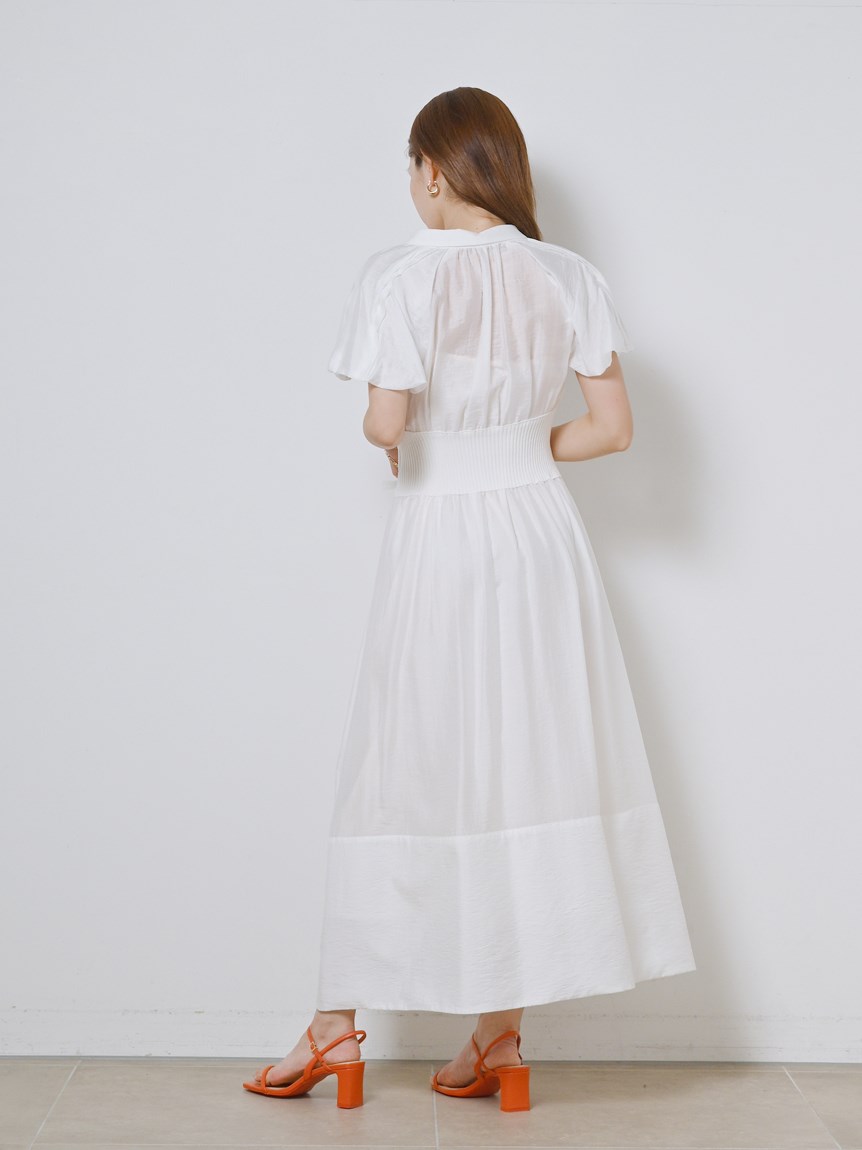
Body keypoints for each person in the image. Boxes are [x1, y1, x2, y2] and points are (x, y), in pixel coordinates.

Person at [243, 86, 696, 1113]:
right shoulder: (568, 274)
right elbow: (611, 428)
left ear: (435, 172)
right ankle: (498, 1033)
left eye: (411, 169)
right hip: (542, 538)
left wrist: (418, 438)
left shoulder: (401, 274)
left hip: (442, 536)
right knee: (523, 764)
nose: (411, 187)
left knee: (407, 761)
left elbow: (384, 421)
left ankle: (335, 1026)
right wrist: (516, 446)